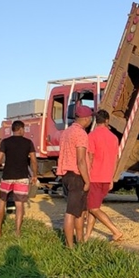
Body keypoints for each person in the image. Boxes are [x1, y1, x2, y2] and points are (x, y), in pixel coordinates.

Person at [0, 121, 37, 237]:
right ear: (21, 129)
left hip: (7, 176)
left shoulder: (5, 142)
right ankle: (17, 232)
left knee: (2, 202)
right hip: (22, 177)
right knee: (19, 205)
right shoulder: (28, 143)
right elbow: (34, 161)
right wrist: (35, 175)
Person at [56, 104, 94, 248]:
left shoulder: (65, 132)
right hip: (77, 176)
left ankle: (79, 240)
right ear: (85, 119)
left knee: (79, 210)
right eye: (90, 117)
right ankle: (70, 245)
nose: (91, 120)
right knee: (71, 212)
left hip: (65, 174)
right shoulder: (81, 134)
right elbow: (81, 160)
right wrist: (87, 180)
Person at [84, 109, 124, 242]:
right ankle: (87, 236)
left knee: (93, 208)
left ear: (96, 121)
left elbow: (90, 156)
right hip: (107, 178)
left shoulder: (92, 136)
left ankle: (115, 231)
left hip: (95, 177)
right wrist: (112, 178)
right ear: (107, 121)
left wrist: (86, 176)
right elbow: (116, 159)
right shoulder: (114, 138)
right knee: (93, 208)